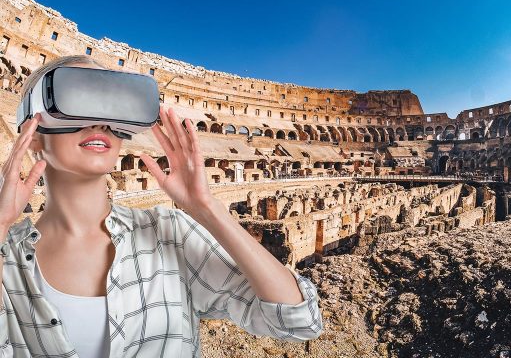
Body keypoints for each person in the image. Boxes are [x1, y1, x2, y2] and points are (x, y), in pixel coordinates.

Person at [0, 56, 323, 357]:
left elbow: (299, 321)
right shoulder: (7, 259)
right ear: (33, 133)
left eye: (112, 107)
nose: (100, 122)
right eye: (79, 99)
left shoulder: (170, 233)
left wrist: (208, 209)